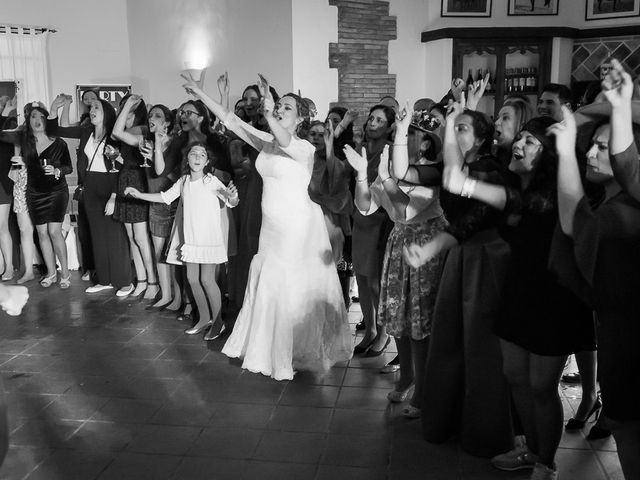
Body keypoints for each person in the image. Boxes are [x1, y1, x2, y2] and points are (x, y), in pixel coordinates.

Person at [183, 74, 352, 380]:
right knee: (270, 281)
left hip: (295, 226)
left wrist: (269, 105)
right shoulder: (267, 143)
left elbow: (284, 140)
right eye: (279, 107)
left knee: (286, 284)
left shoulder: (302, 148)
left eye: (287, 107)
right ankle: (268, 347)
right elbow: (231, 120)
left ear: (300, 118)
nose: (280, 110)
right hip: (270, 227)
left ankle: (285, 354)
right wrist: (200, 93)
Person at [404, 99, 513, 458]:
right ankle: (447, 420)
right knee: (450, 343)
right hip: (461, 256)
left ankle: (485, 431)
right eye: (451, 128)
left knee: (480, 350)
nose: (451, 132)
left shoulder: (488, 170)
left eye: (461, 128)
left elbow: (470, 224)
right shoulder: (458, 168)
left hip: (487, 259)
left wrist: (433, 248)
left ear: (481, 140)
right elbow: (418, 174)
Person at [550, 59, 640, 479]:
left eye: (600, 147)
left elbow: (576, 224)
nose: (591, 150)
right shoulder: (618, 204)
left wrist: (567, 151)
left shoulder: (623, 217)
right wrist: (618, 107)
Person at [346, 101, 447, 420]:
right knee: (399, 317)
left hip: (425, 245)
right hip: (398, 242)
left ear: (427, 142)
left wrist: (387, 178)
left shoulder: (431, 173)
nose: (400, 143)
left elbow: (405, 209)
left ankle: (426, 387)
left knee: (419, 320)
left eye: (410, 136)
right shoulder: (393, 166)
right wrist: (363, 176)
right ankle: (406, 376)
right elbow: (365, 206)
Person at [126, 141, 238, 340]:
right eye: (193, 153)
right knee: (192, 279)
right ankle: (204, 318)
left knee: (206, 279)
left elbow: (231, 201)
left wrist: (233, 196)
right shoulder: (184, 181)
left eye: (202, 155)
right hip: (191, 240)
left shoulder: (211, 181)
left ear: (207, 161)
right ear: (187, 158)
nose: (197, 157)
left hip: (209, 240)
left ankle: (218, 322)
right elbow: (165, 197)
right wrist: (140, 194)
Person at [48, 99, 133, 295]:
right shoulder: (86, 132)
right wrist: (54, 108)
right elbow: (56, 130)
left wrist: (114, 196)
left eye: (97, 108)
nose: (92, 110)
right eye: (91, 108)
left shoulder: (115, 135)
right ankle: (104, 279)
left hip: (111, 184)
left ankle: (124, 281)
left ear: (107, 113)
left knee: (115, 235)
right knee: (96, 234)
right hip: (91, 184)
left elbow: (122, 169)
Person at [0, 103, 73, 288]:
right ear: (28, 120)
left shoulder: (58, 142)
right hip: (35, 193)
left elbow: (68, 167)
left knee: (54, 232)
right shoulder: (25, 143)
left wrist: (57, 170)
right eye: (33, 117)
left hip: (57, 191)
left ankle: (64, 273)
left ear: (46, 120)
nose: (37, 120)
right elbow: (3, 135)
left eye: (41, 117)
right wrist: (6, 113)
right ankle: (50, 273)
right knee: (41, 233)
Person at [112, 94, 159, 299]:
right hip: (126, 180)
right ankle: (140, 279)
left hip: (138, 182)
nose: (125, 117)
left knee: (141, 237)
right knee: (131, 236)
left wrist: (128, 106)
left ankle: (152, 281)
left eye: (129, 114)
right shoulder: (133, 130)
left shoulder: (143, 131)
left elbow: (116, 133)